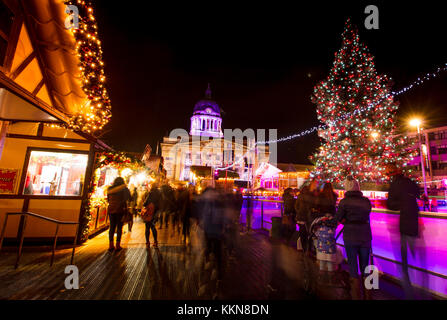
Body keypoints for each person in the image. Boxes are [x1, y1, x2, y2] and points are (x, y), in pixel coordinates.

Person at [386, 163, 420, 299]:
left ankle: (409, 292)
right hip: (415, 223)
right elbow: (418, 193)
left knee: (404, 260)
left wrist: (401, 205)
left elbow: (390, 205)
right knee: (415, 257)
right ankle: (418, 288)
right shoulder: (410, 182)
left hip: (404, 225)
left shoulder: (395, 185)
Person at [335, 176, 372, 300]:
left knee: (353, 265)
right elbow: (367, 213)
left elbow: (338, 218)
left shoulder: (344, 202)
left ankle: (356, 295)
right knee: (365, 266)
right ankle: (368, 295)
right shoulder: (366, 201)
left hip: (350, 235)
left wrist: (345, 220)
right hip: (365, 235)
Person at [106, 177, 131, 252]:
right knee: (119, 227)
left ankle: (110, 245)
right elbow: (129, 198)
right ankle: (117, 245)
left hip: (111, 209)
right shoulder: (124, 188)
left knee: (112, 227)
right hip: (120, 209)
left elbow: (108, 199)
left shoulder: (110, 188)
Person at [143, 183, 162, 248]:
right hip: (156, 212)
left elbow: (145, 203)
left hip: (150, 212)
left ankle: (147, 243)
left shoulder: (150, 193)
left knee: (147, 227)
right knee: (153, 227)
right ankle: (155, 242)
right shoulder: (159, 193)